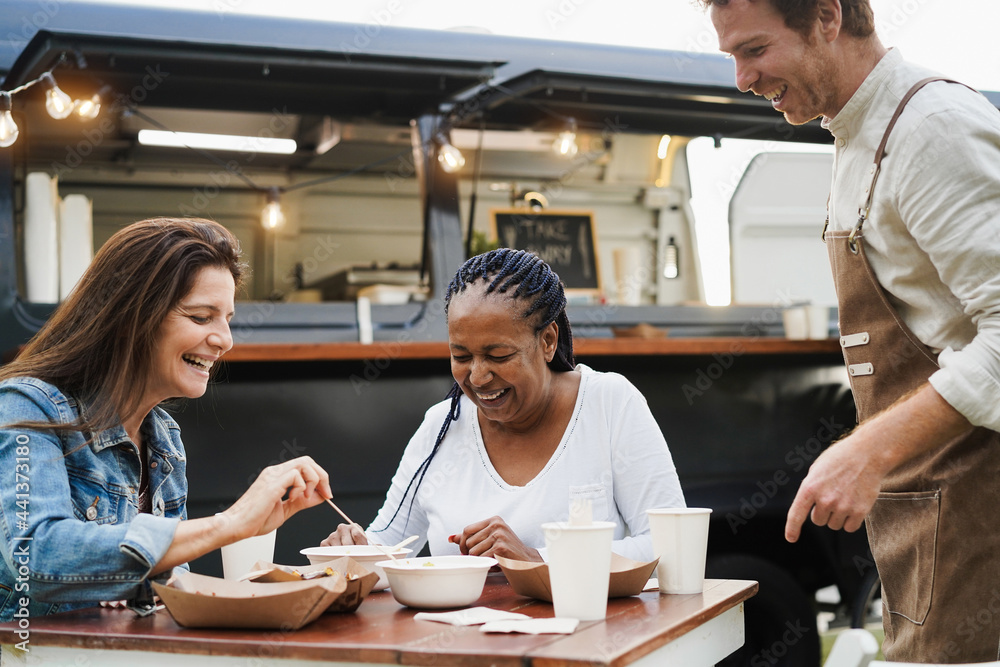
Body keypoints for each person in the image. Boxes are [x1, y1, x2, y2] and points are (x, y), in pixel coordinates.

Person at [699, 0, 1000, 662]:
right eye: (733, 58)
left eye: (755, 50)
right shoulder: (859, 135)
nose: (742, 79)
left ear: (828, 17)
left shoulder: (932, 130)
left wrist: (871, 450)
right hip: (927, 523)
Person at [0, 217, 332, 621]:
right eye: (200, 317)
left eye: (227, 318)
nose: (224, 339)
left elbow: (165, 593)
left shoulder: (164, 438)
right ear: (130, 317)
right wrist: (229, 524)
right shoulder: (24, 408)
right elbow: (35, 555)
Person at [323, 248, 685, 562]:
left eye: (498, 355)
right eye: (460, 355)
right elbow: (388, 544)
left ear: (547, 340)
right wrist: (354, 550)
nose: (478, 377)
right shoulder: (442, 426)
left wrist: (536, 559)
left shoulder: (608, 405)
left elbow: (670, 545)